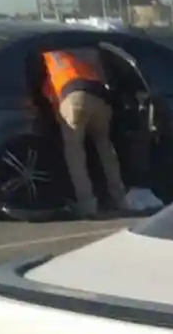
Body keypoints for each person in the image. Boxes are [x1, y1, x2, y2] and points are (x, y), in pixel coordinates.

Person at [37, 43, 161, 218]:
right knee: (105, 148)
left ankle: (87, 204)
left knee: (75, 153)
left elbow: (45, 90)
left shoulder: (47, 57)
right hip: (100, 98)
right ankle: (120, 198)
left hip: (73, 99)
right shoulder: (81, 54)